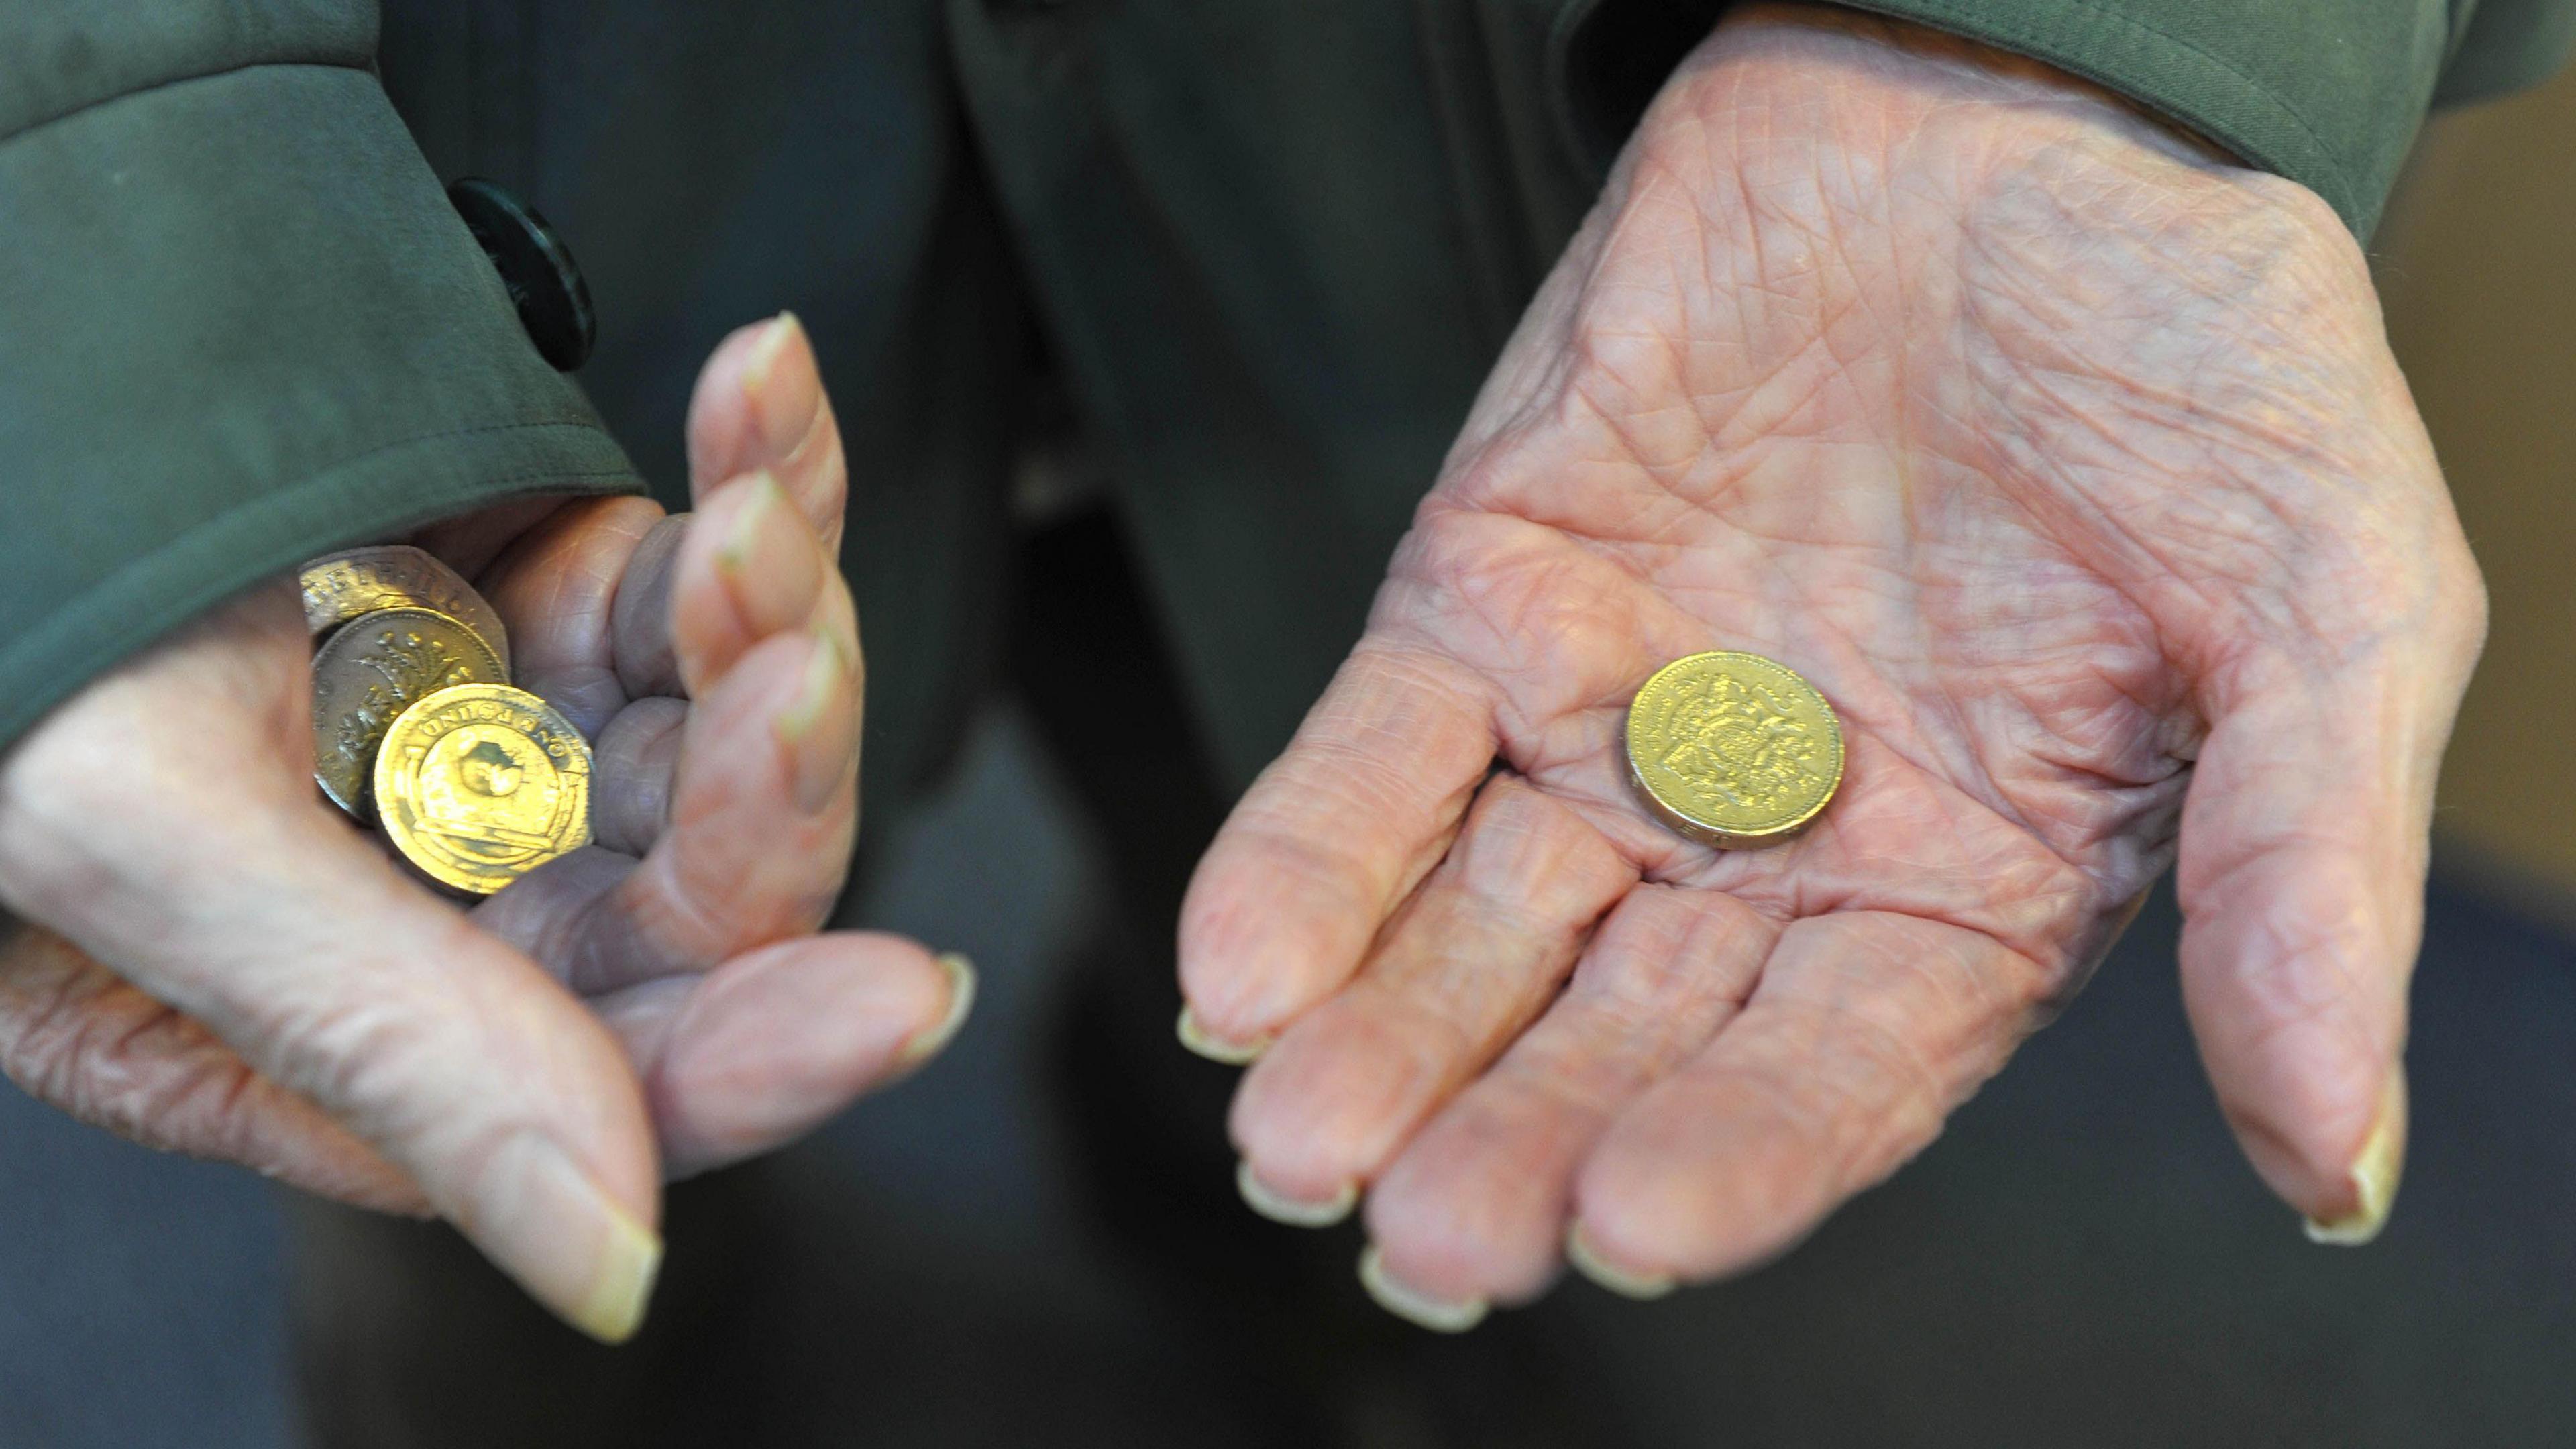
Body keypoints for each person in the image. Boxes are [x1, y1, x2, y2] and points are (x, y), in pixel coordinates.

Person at [0, 0, 2561, 1437]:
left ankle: (1281, 1269)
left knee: (1294, 875)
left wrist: (2045, 51)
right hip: (468, 286)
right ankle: (539, 1320)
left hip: (1508, 253)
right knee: (552, 983)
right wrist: (104, 321)